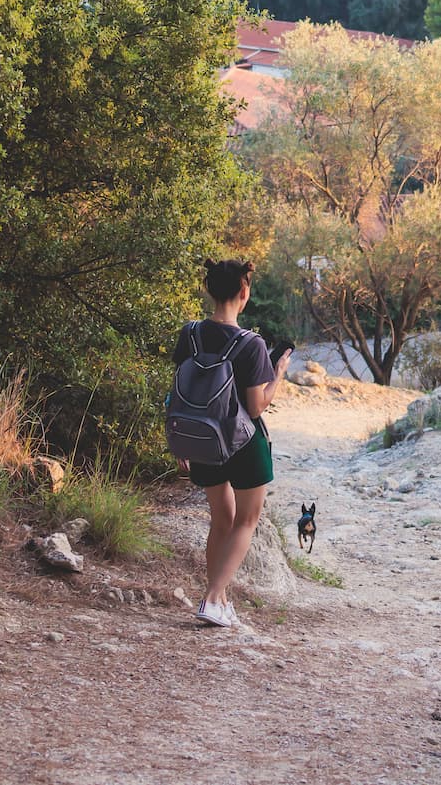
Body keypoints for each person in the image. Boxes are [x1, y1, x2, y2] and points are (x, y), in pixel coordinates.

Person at [173, 259, 290, 628]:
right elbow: (256, 406)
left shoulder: (190, 334)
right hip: (243, 443)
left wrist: (181, 445)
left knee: (220, 519)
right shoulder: (251, 344)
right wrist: (278, 376)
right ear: (244, 292)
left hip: (201, 438)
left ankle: (220, 598)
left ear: (207, 289)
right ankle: (211, 599)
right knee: (246, 520)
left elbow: (180, 391)